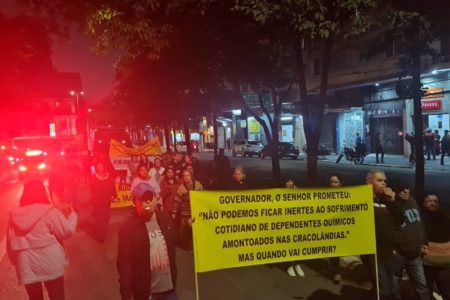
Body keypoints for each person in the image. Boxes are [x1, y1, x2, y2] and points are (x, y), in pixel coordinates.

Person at [7, 180, 78, 300]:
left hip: (26, 264)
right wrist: (72, 216)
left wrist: (17, 262)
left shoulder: (15, 217)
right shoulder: (49, 212)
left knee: (35, 297)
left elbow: (10, 245)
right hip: (50, 262)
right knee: (57, 295)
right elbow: (66, 231)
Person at [117, 190, 178, 300]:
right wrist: (126, 295)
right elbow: (124, 265)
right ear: (135, 202)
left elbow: (175, 242)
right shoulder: (128, 228)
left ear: (156, 199)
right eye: (144, 199)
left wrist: (191, 228)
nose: (148, 202)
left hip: (169, 291)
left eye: (151, 198)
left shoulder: (164, 218)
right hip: (147, 294)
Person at [363, 170, 401, 300]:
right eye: (379, 180)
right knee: (383, 290)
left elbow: (400, 220)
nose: (384, 183)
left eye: (385, 181)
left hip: (390, 252)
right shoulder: (363, 200)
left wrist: (393, 201)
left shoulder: (387, 201)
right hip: (375, 253)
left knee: (394, 289)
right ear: (369, 183)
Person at [391, 181, 429, 300]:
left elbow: (420, 224)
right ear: (395, 191)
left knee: (421, 287)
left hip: (415, 255)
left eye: (407, 188)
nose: (405, 191)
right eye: (402, 189)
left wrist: (424, 242)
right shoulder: (392, 205)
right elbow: (385, 229)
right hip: (398, 255)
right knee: (394, 287)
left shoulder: (412, 201)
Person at [421, 191, 450, 300]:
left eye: (435, 201)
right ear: (424, 204)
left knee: (446, 290)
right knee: (426, 291)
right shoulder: (420, 218)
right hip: (427, 263)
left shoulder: (445, 217)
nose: (433, 203)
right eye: (429, 201)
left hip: (446, 264)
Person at [171, 169, 203, 252]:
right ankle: (188, 247)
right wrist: (174, 212)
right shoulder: (181, 188)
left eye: (188, 175)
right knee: (185, 231)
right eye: (184, 175)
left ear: (191, 176)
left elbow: (204, 196)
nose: (186, 177)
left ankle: (197, 247)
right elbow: (176, 200)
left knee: (197, 231)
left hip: (197, 213)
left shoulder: (198, 185)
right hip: (185, 214)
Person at [90, 160, 117, 242]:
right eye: (98, 167)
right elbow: (93, 189)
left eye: (101, 166)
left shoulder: (107, 177)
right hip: (98, 203)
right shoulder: (94, 177)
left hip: (107, 202)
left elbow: (112, 187)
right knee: (100, 220)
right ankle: (100, 236)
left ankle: (103, 233)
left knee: (105, 218)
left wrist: (114, 195)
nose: (99, 168)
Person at [283, 179, 305, 278]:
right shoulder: (278, 193)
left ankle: (297, 264)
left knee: (299, 244)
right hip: (285, 224)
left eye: (291, 181)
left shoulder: (299, 192)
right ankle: (289, 265)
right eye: (287, 181)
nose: (290, 183)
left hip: (298, 224)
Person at [328, 173, 344, 284]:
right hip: (331, 228)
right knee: (334, 251)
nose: (333, 184)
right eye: (331, 182)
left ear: (340, 183)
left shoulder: (346, 195)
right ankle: (336, 272)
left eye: (335, 182)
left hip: (344, 226)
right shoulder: (324, 195)